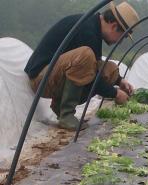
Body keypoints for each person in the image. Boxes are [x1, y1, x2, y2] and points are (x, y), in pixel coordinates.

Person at [25, 1, 139, 130]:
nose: (118, 42)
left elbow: (95, 71)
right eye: (122, 37)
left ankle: (59, 107)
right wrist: (115, 93)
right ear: (113, 26)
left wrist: (119, 81)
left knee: (110, 68)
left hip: (53, 75)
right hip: (41, 79)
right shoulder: (87, 30)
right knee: (85, 55)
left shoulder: (94, 27)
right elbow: (92, 78)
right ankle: (66, 115)